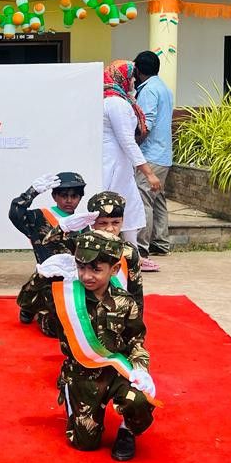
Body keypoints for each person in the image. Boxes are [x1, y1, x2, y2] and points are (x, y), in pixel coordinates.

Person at [34, 230, 156, 461]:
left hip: (115, 372)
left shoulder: (125, 302)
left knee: (140, 400)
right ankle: (73, 401)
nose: (87, 276)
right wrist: (41, 277)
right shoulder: (66, 295)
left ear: (114, 269)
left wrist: (141, 369)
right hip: (82, 374)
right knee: (85, 443)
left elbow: (135, 341)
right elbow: (28, 303)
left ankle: (127, 431)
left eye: (96, 269)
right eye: (81, 268)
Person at [102, 60, 162, 272]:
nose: (133, 82)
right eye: (131, 78)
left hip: (119, 163)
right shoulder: (115, 103)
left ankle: (132, 256)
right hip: (114, 163)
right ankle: (121, 257)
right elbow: (127, 140)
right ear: (122, 78)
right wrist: (149, 173)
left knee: (130, 208)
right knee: (115, 210)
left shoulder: (115, 100)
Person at [9, 171, 86, 329]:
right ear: (54, 196)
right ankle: (32, 306)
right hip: (46, 280)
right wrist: (32, 192)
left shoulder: (82, 223)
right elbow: (15, 214)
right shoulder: (39, 217)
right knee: (53, 327)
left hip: (74, 280)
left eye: (74, 196)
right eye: (64, 195)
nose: (69, 200)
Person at [40, 191, 144, 300]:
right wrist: (62, 228)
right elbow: (48, 244)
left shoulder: (128, 251)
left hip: (118, 305)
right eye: (103, 223)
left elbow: (135, 290)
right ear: (92, 223)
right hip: (84, 304)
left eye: (115, 223)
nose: (110, 229)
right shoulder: (82, 244)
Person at [133, 51, 175, 260]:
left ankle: (142, 247)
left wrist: (133, 145)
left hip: (150, 153)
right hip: (163, 153)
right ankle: (160, 242)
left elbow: (146, 123)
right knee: (157, 199)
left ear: (138, 70)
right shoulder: (164, 87)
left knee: (144, 200)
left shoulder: (148, 90)